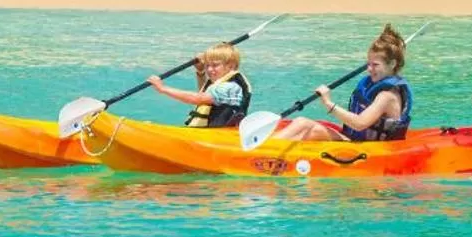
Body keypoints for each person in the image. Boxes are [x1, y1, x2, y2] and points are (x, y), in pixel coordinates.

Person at [272, 25, 413, 143]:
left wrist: (328, 103)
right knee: (301, 122)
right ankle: (265, 147)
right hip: (355, 141)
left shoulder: (387, 96)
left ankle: (264, 151)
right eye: (368, 64)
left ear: (392, 64)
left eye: (375, 65)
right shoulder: (373, 84)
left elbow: (359, 124)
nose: (369, 69)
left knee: (310, 129)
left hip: (371, 149)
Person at [146, 42, 251, 131]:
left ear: (231, 66)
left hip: (218, 137)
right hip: (207, 134)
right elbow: (204, 95)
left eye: (215, 65)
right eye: (207, 65)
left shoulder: (230, 87)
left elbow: (198, 98)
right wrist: (200, 72)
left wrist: (163, 89)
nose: (209, 69)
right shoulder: (219, 84)